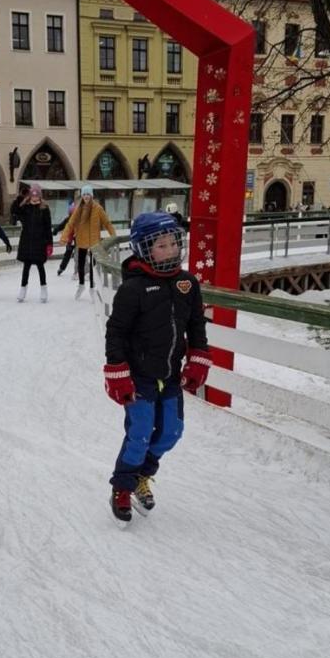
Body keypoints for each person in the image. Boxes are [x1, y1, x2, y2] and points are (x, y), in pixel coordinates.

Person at [103, 211, 212, 524]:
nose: (169, 250)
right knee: (139, 434)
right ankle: (123, 487)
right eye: (160, 246)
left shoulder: (187, 283)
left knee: (171, 432)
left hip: (171, 376)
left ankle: (141, 475)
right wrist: (117, 372)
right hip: (139, 377)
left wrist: (198, 358)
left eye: (173, 243)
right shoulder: (133, 289)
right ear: (143, 249)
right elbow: (116, 332)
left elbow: (196, 324)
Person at [60, 185, 115, 298]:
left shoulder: (98, 208)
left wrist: (113, 236)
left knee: (92, 267)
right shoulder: (78, 209)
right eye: (84, 194)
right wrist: (64, 237)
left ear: (91, 195)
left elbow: (107, 223)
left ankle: (91, 288)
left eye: (88, 194)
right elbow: (70, 224)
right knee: (80, 265)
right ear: (82, 196)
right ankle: (81, 285)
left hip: (94, 242)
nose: (86, 196)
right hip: (81, 240)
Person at [12, 182, 53, 303]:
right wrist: (20, 197)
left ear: (40, 196)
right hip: (27, 241)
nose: (35, 197)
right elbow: (14, 210)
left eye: (36, 195)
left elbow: (48, 227)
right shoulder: (25, 207)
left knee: (40, 266)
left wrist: (49, 244)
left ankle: (44, 289)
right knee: (26, 266)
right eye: (33, 195)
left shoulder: (44, 209)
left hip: (40, 242)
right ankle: (23, 289)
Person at [56, 190, 80, 277]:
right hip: (70, 240)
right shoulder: (68, 219)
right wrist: (56, 230)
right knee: (67, 254)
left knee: (78, 256)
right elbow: (62, 225)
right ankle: (61, 268)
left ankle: (78, 270)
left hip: (78, 240)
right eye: (71, 214)